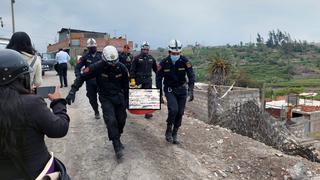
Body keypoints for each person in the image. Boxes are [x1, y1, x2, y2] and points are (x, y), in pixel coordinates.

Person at [0, 49, 70, 179]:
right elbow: (59, 129)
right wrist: (58, 102)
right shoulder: (32, 103)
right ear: (21, 78)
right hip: (38, 173)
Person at [66, 45, 129, 160]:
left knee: (121, 120)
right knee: (111, 120)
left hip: (119, 97)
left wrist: (127, 101)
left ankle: (117, 137)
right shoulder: (97, 67)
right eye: (111, 62)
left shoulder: (122, 68)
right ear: (104, 59)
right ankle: (116, 145)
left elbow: (126, 86)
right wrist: (73, 90)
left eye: (115, 62)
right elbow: (82, 77)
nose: (113, 64)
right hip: (106, 98)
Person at [156, 39, 195, 144]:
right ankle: (168, 129)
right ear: (169, 52)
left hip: (182, 90)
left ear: (180, 52)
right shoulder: (164, 63)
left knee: (180, 112)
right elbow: (158, 78)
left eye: (178, 53)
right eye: (174, 53)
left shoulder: (185, 61)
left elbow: (191, 76)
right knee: (173, 110)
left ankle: (175, 132)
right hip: (170, 90)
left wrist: (191, 90)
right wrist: (159, 94)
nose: (176, 55)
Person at [75, 38, 102, 119]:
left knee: (104, 97)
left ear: (96, 47)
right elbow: (77, 68)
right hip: (90, 82)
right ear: (88, 48)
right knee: (91, 98)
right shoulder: (85, 57)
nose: (92, 49)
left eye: (93, 47)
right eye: (90, 48)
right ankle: (96, 111)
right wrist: (79, 77)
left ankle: (106, 110)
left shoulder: (101, 55)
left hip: (100, 81)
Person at [130, 41, 157, 119]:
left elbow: (156, 70)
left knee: (148, 96)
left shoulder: (151, 59)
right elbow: (132, 70)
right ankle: (135, 109)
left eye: (147, 49)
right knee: (138, 96)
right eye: (144, 49)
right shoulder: (136, 58)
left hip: (148, 80)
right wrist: (132, 80)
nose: (145, 51)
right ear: (141, 49)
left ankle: (147, 113)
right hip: (138, 80)